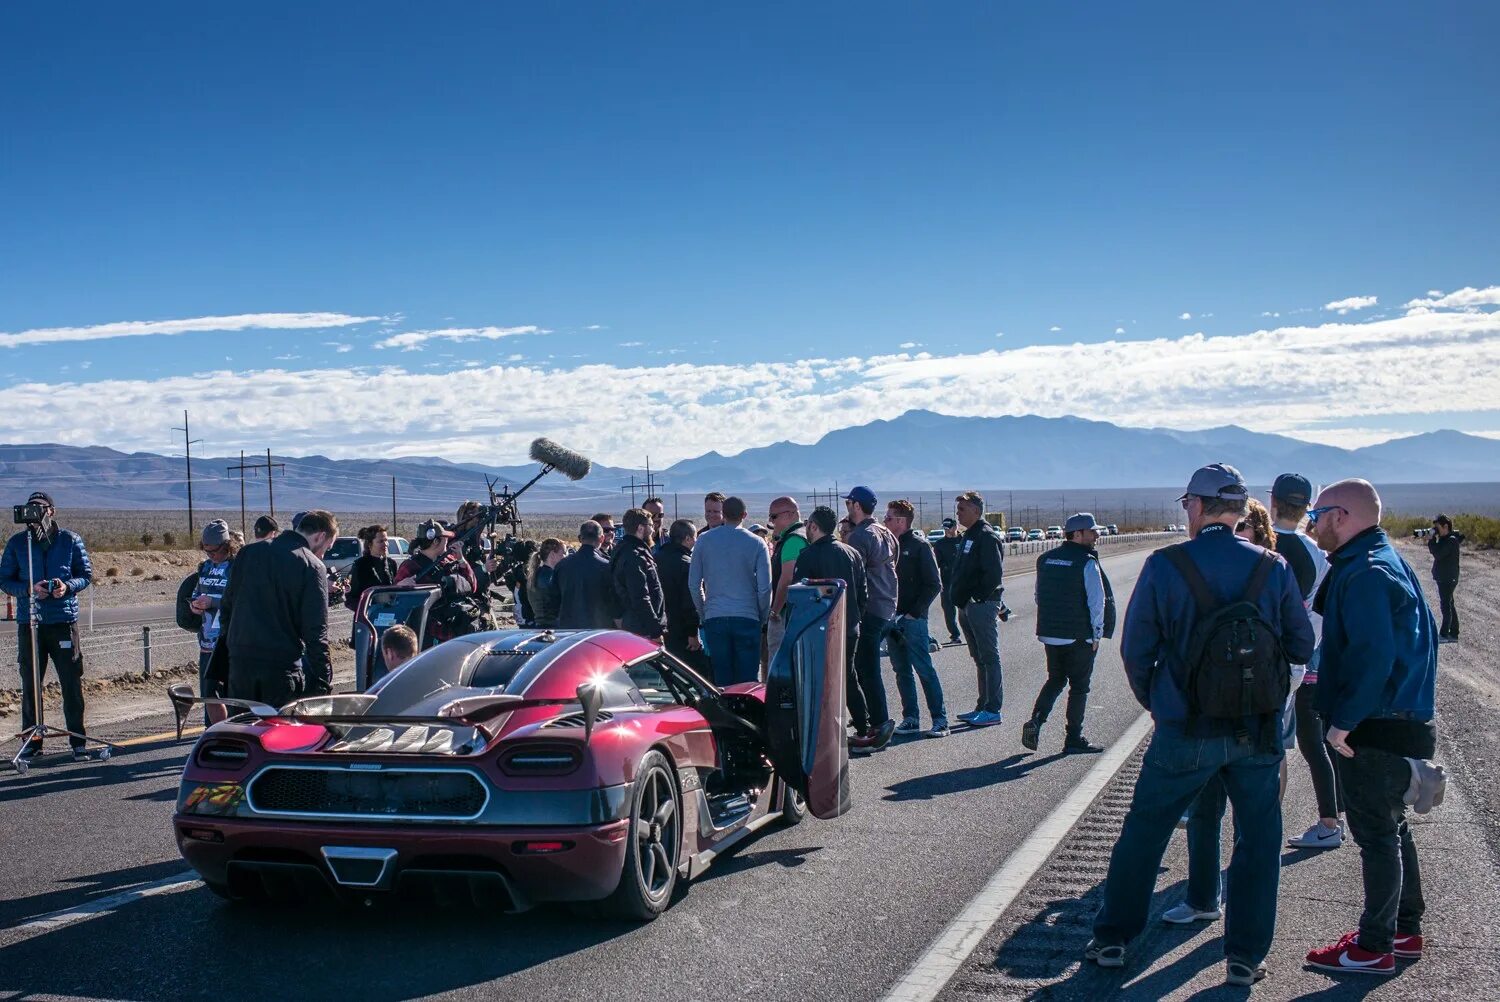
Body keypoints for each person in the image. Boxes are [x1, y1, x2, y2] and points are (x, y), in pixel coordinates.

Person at [1086, 464, 1313, 987]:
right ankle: (1244, 957)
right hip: (1256, 733)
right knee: (1258, 842)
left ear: (1197, 505)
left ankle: (1114, 939)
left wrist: (1159, 703)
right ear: (1238, 510)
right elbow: (1301, 644)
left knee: (1145, 832)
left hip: (1184, 730)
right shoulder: (1272, 567)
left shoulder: (1166, 565)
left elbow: (1136, 650)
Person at [1304, 479, 1442, 975]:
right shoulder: (1385, 559)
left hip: (1376, 724)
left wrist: (1343, 723)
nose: (1312, 523)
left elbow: (1372, 654)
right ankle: (1403, 932)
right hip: (1398, 718)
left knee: (1378, 837)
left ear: (1342, 515)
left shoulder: (1365, 571)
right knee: (1393, 830)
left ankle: (1373, 946)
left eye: (1317, 515)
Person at [1266, 474, 1338, 851]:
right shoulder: (1316, 554)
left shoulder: (1258, 544)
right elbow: (1319, 616)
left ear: (1272, 501)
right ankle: (1321, 822)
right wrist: (1301, 657)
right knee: (1301, 743)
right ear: (1307, 506)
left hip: (1260, 661)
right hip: (1302, 662)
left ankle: (1257, 828)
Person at [0, 491, 94, 760]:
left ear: (52, 510)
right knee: (30, 685)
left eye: (40, 507)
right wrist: (30, 589)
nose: (34, 512)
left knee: (71, 684)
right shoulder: (18, 543)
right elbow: (4, 579)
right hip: (30, 624)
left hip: (63, 621)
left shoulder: (69, 540)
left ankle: (78, 740)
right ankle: (33, 741)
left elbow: (85, 575)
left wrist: (66, 587)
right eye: (30, 507)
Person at [218, 509, 338, 706]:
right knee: (278, 732)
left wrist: (232, 649)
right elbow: (316, 631)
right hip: (280, 669)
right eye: (327, 547)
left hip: (240, 666)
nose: (324, 554)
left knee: (241, 731)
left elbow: (227, 607)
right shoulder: (312, 566)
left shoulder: (248, 553)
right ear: (320, 536)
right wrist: (322, 680)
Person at [1022, 512, 1115, 755]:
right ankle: (1073, 738)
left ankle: (1036, 721)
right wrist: (1097, 635)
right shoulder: (1086, 561)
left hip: (1051, 635)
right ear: (1077, 534)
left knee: (1055, 679)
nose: (1096, 535)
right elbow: (1097, 602)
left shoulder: (1045, 559)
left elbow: (1038, 596)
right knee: (1079, 687)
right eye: (1091, 531)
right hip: (1079, 637)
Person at [793, 506, 868, 740]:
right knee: (848, 676)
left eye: (808, 525)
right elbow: (863, 593)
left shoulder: (807, 556)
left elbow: (800, 598)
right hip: (849, 626)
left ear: (814, 527)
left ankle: (823, 733)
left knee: (820, 680)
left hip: (819, 629)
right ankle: (864, 728)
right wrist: (854, 617)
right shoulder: (851, 553)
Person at [687, 495, 771, 686]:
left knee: (722, 682)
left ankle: (724, 715)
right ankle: (748, 715)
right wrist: (761, 616)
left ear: (723, 513)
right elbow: (765, 588)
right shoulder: (757, 543)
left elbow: (693, 584)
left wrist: (704, 613)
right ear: (745, 515)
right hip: (748, 617)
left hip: (715, 617)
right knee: (748, 682)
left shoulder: (704, 540)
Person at [884, 499, 949, 739]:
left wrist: (914, 612)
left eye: (889, 518)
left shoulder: (920, 546)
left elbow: (934, 584)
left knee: (923, 668)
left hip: (913, 620)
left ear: (901, 521)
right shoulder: (887, 546)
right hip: (891, 619)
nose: (885, 521)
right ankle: (911, 718)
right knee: (901, 671)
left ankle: (940, 720)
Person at [842, 486, 899, 749]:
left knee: (866, 669)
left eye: (849, 502)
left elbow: (854, 579)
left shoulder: (859, 537)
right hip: (888, 606)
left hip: (871, 609)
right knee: (867, 669)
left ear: (856, 505)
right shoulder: (886, 532)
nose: (847, 506)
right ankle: (875, 722)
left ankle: (878, 726)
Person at [949, 490, 1006, 727]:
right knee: (979, 658)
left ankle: (993, 709)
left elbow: (993, 574)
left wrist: (975, 598)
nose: (958, 514)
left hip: (980, 605)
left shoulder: (986, 535)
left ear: (975, 510)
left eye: (962, 509)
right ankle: (982, 705)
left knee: (989, 657)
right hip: (966, 606)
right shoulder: (968, 535)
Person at [395, 519, 480, 648]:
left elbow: (472, 586)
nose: (448, 541)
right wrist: (399, 588)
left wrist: (462, 560)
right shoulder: (410, 567)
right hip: (428, 637)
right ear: (435, 541)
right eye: (445, 538)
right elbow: (395, 600)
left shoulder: (450, 560)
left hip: (456, 632)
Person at [188, 520, 240, 712]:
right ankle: (211, 732)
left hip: (230, 641)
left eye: (214, 551)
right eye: (206, 551)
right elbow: (196, 592)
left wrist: (213, 602)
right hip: (207, 641)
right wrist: (195, 605)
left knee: (231, 695)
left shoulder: (237, 567)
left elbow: (241, 601)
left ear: (226, 545)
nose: (211, 555)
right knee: (209, 694)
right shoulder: (205, 567)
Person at [657, 519, 707, 672]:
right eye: (694, 538)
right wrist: (693, 632)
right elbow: (690, 601)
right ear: (687, 538)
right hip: (681, 629)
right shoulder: (686, 564)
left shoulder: (656, 558)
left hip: (661, 626)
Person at [765, 497, 808, 667]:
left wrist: (775, 610)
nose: (771, 522)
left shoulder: (793, 540)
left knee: (779, 665)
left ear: (789, 515)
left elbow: (788, 578)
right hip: (798, 612)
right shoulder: (803, 535)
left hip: (786, 615)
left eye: (773, 517)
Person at [612, 507, 665, 640]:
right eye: (651, 526)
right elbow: (640, 596)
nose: (653, 530)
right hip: (642, 628)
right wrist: (655, 631)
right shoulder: (634, 556)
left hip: (637, 624)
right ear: (641, 528)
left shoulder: (627, 551)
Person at [554, 520, 617, 629]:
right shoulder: (606, 566)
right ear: (601, 538)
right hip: (598, 629)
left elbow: (553, 599)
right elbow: (614, 602)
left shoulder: (562, 566)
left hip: (568, 628)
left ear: (580, 538)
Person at [347, 524, 398, 618]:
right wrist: (367, 610)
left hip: (390, 616)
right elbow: (351, 597)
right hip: (367, 618)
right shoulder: (360, 565)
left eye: (386, 540)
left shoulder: (391, 564)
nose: (385, 544)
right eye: (381, 541)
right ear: (370, 544)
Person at [1428, 513, 1462, 642]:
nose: (1436, 530)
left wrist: (1431, 540)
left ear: (1445, 526)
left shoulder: (1451, 540)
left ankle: (1444, 634)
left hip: (1448, 578)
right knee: (1450, 605)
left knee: (1445, 606)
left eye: (1438, 527)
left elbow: (1438, 554)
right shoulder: (1446, 539)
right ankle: (1454, 633)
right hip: (1446, 577)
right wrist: (1434, 538)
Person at [932, 517, 963, 644]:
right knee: (949, 610)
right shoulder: (940, 544)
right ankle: (955, 635)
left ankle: (973, 634)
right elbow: (936, 565)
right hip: (947, 582)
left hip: (964, 581)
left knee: (967, 610)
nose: (947, 531)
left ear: (955, 527)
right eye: (944, 528)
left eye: (949, 528)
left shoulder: (964, 540)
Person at [526, 538, 566, 628]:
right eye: (563, 553)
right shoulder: (549, 577)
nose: (565, 556)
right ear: (552, 554)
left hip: (540, 625)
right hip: (553, 627)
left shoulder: (537, 574)